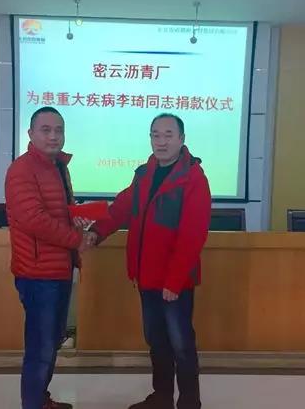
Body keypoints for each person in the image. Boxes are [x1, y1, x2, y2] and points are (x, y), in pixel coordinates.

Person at [89, 113, 211, 409]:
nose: (161, 141)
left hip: (174, 282)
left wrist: (174, 281)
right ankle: (161, 398)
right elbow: (120, 208)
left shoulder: (193, 179)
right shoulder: (144, 174)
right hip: (146, 277)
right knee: (156, 342)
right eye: (155, 135)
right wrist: (96, 232)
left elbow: (192, 235)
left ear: (181, 139)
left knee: (181, 345)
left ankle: (190, 402)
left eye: (168, 135)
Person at [5, 106, 96, 409]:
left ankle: (40, 399)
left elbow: (57, 212)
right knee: (40, 348)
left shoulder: (58, 166)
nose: (53, 136)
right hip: (37, 273)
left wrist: (77, 217)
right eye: (46, 130)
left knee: (51, 341)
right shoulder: (22, 169)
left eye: (59, 130)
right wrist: (76, 239)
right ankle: (32, 404)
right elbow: (34, 220)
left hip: (59, 269)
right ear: (30, 133)